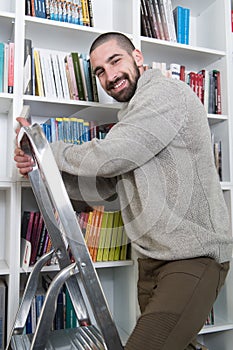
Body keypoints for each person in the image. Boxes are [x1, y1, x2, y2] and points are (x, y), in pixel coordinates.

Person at [15, 32, 233, 350]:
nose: (110, 75)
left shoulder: (165, 94)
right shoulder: (131, 118)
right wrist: (42, 170)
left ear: (138, 57)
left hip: (193, 257)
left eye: (115, 61)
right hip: (151, 260)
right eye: (100, 71)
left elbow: (110, 157)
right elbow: (105, 187)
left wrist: (45, 149)